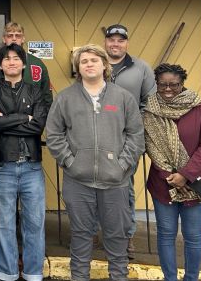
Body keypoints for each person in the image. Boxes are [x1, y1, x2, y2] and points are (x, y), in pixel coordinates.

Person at [46, 44, 144, 281]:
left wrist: (122, 166)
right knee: (80, 237)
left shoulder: (123, 97)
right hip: (78, 182)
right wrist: (70, 162)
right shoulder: (66, 98)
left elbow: (136, 135)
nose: (89, 64)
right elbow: (54, 134)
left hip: (115, 182)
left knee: (116, 238)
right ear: (78, 68)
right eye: (83, 61)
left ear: (104, 65)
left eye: (94, 60)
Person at [144, 63, 201, 281]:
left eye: (174, 85)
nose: (168, 89)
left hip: (194, 184)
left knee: (193, 237)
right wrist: (169, 174)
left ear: (182, 83)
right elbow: (150, 144)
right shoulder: (149, 109)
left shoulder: (200, 108)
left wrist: (185, 174)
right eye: (163, 84)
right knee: (166, 235)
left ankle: (191, 278)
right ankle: (170, 278)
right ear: (156, 84)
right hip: (162, 183)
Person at [0, 44, 50, 281]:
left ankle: (33, 273)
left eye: (16, 58)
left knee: (34, 223)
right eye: (7, 59)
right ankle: (7, 273)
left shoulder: (36, 91)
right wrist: (24, 117)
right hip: (3, 166)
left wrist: (7, 119)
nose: (11, 62)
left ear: (23, 63)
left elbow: (38, 126)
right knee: (4, 224)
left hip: (32, 166)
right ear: (0, 65)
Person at [103, 23, 157, 257]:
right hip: (98, 138)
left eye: (120, 40)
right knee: (98, 186)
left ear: (127, 43)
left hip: (127, 141)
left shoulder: (141, 68)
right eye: (111, 39)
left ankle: (126, 235)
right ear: (105, 42)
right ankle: (104, 232)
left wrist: (134, 127)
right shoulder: (95, 63)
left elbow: (151, 102)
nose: (115, 44)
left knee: (124, 188)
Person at [0, 21, 53, 107]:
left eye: (18, 36)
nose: (14, 39)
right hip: (2, 114)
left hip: (33, 115)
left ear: (23, 39)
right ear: (4, 39)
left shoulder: (37, 64)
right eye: (10, 36)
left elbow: (47, 96)